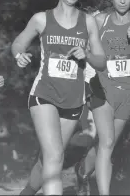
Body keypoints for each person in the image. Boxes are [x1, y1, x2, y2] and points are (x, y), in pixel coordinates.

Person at [11, 0, 106, 195]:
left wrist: (87, 55)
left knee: (49, 160)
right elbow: (19, 43)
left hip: (73, 101)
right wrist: (18, 55)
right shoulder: (41, 19)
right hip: (44, 95)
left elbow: (101, 62)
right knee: (55, 157)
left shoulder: (88, 22)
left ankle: (26, 193)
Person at [75, 0, 130, 195]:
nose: (122, 0)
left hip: (128, 93)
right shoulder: (100, 21)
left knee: (105, 145)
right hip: (102, 89)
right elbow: (85, 52)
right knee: (107, 142)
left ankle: (82, 171)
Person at [19, 62, 97, 196]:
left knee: (94, 139)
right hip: (58, 101)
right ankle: (28, 191)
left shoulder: (97, 45)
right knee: (50, 156)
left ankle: (82, 175)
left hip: (87, 102)